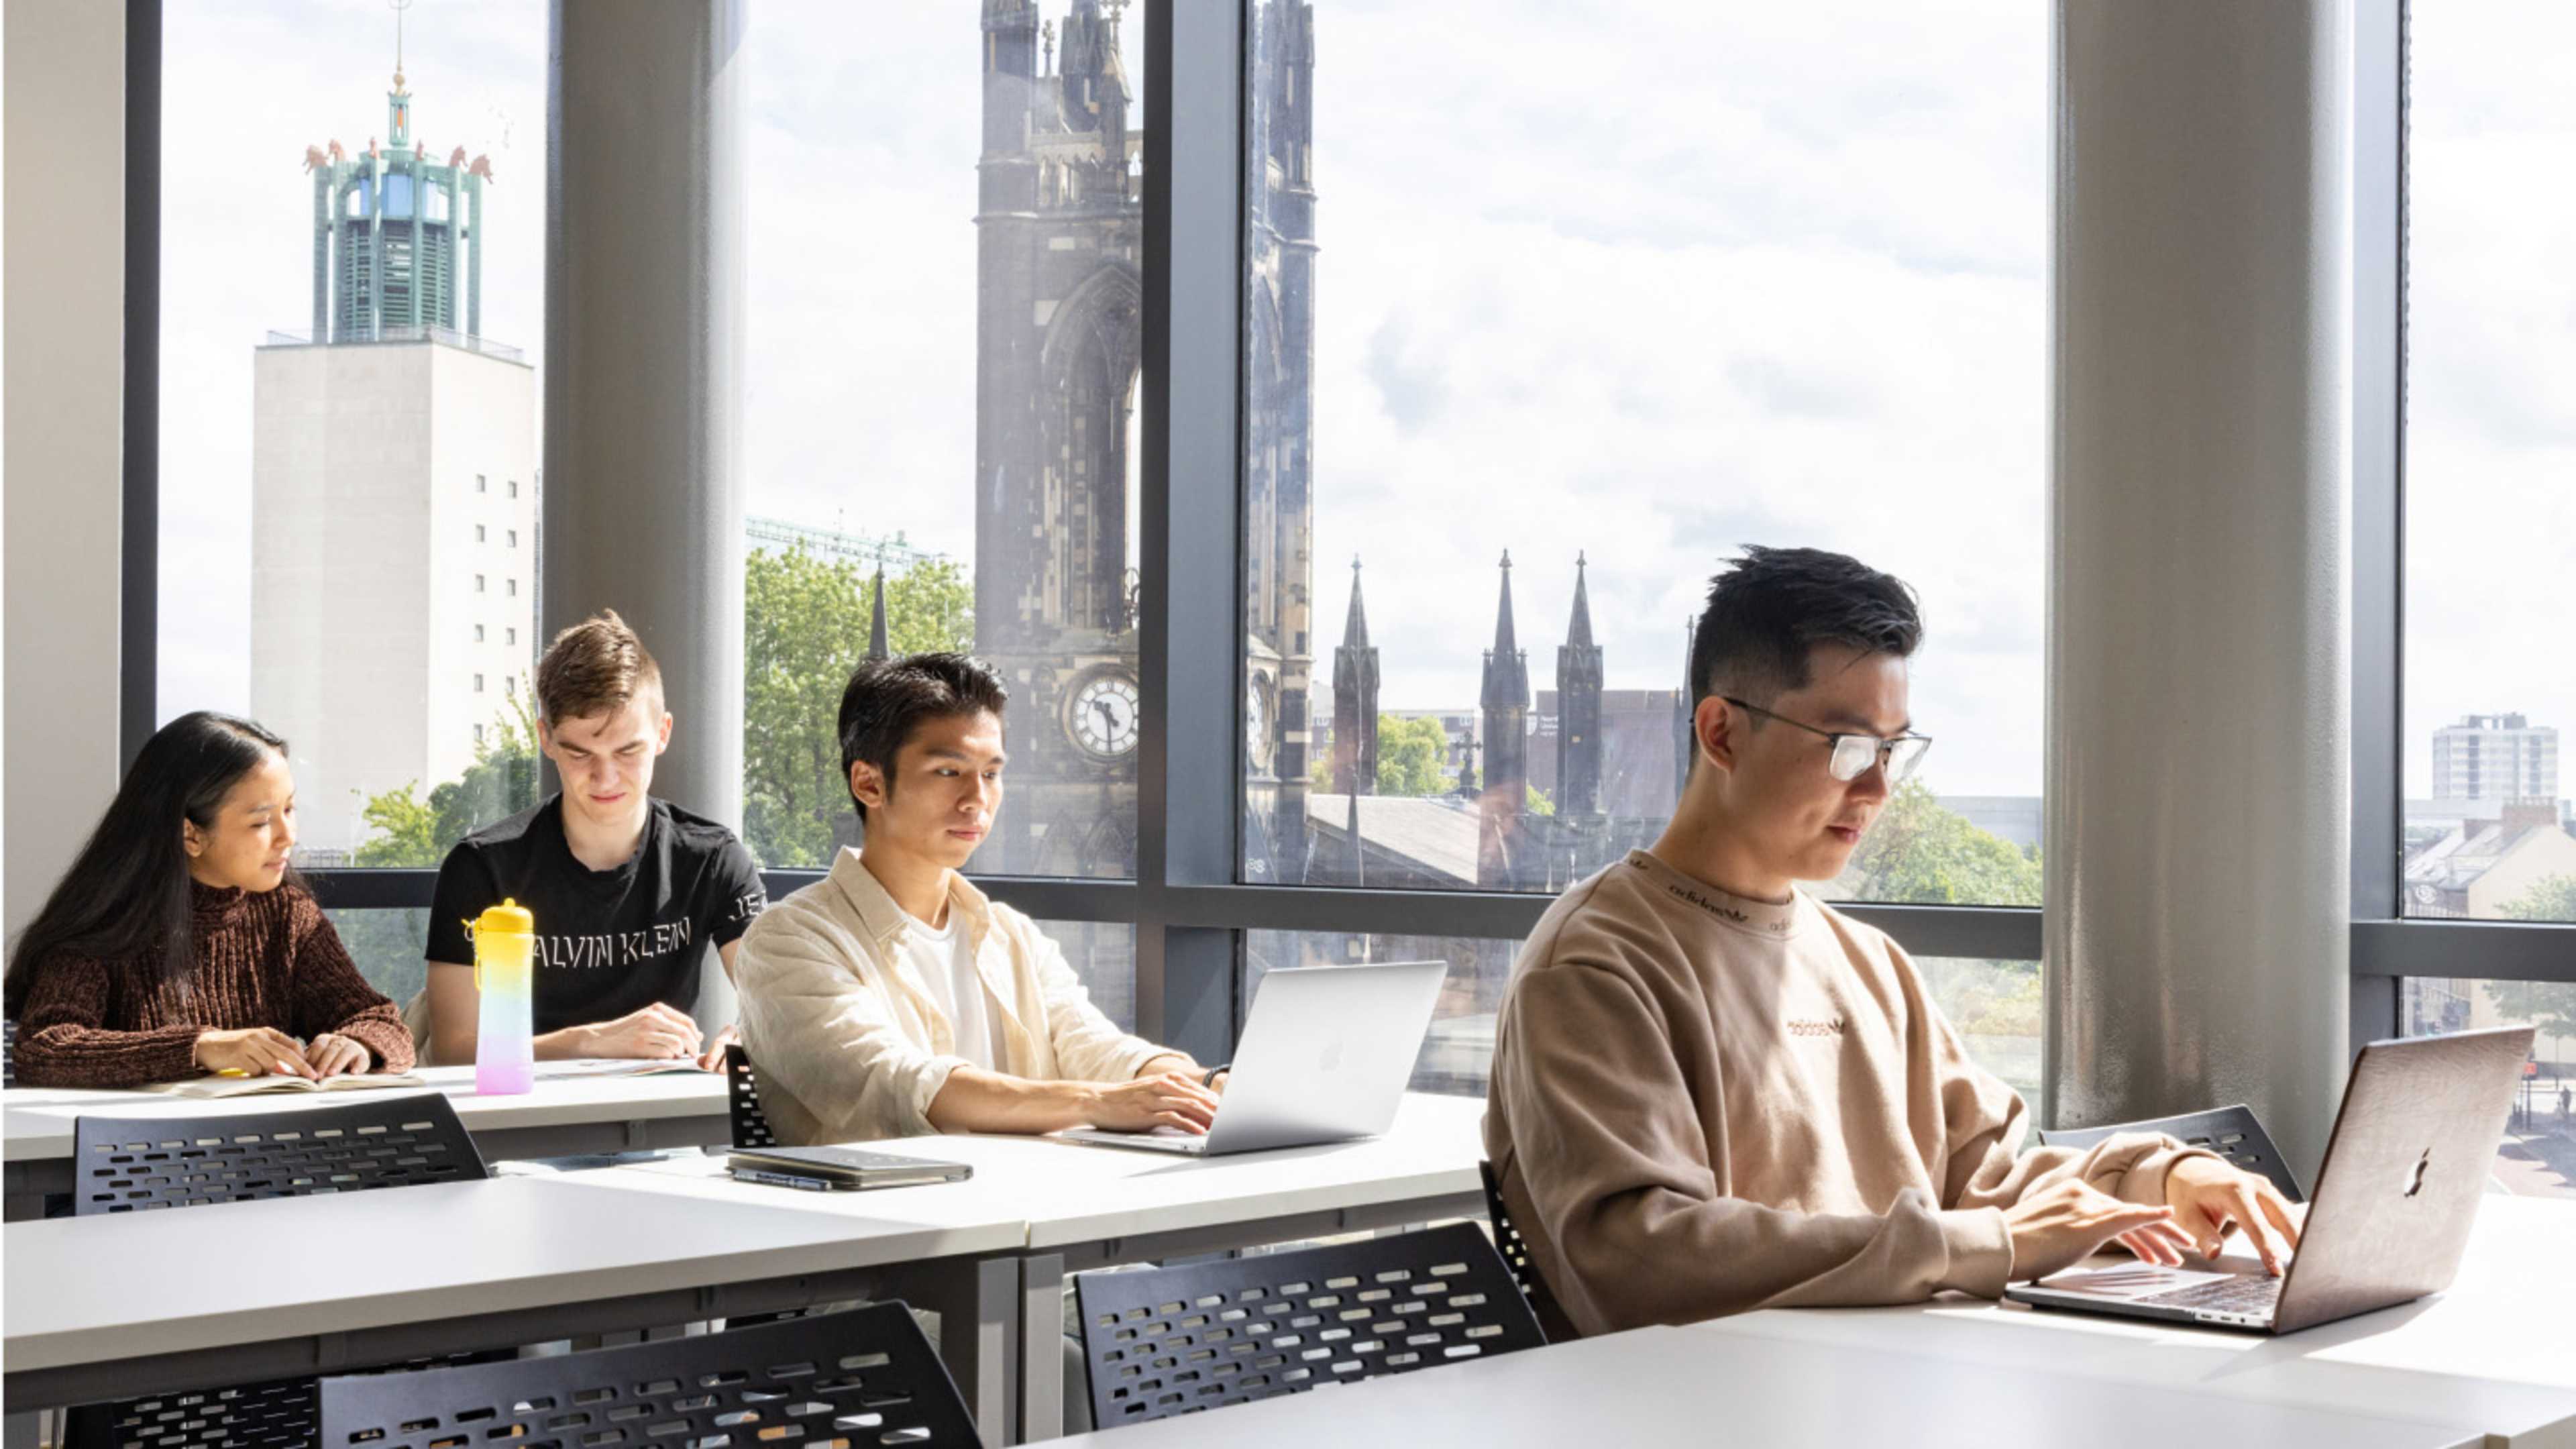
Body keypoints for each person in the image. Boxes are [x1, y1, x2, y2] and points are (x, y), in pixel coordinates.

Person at [1485, 546, 2303, 1336]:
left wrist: (2161, 1178)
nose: (1876, 788)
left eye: (1890, 749)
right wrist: (1985, 1247)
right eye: (1846, 747)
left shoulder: (1870, 965)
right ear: (1722, 734)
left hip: (1905, 1395)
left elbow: (1989, 1183)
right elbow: (1647, 1260)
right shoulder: (1592, 969)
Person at [733, 652, 1223, 1145]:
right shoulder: (788, 942)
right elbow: (903, 1083)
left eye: (991, 774)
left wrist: (1201, 1084)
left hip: (1028, 1206)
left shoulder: (1010, 934)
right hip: (880, 1216)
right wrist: (1095, 1102)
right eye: (949, 772)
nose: (977, 800)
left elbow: (1090, 1045)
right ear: (869, 783)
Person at [423, 611, 765, 1069]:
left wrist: (744, 1036)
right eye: (579, 753)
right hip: (521, 1125)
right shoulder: (484, 865)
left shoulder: (712, 859)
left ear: (662, 733)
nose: (606, 778)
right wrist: (593, 1041)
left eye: (628, 751)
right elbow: (455, 1050)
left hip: (661, 1123)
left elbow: (779, 1001)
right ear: (545, 738)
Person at [5, 712, 414, 1088]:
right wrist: (203, 1047)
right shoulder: (108, 922)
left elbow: (382, 1023)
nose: (288, 835)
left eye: (289, 809)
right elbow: (44, 1050)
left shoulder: (288, 916)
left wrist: (358, 1044)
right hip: (130, 1155)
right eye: (261, 821)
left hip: (263, 1147)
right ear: (191, 835)